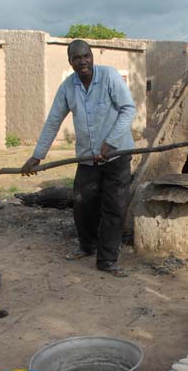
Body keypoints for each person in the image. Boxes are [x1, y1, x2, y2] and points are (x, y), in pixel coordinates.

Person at [21, 40, 136, 277]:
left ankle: (107, 260)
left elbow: (128, 109)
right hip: (88, 158)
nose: (83, 61)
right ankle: (87, 246)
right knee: (83, 203)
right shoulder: (67, 88)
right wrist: (37, 156)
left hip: (117, 156)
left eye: (86, 56)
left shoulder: (109, 77)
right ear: (70, 61)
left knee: (114, 208)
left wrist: (111, 142)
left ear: (92, 56)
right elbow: (53, 121)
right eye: (77, 58)